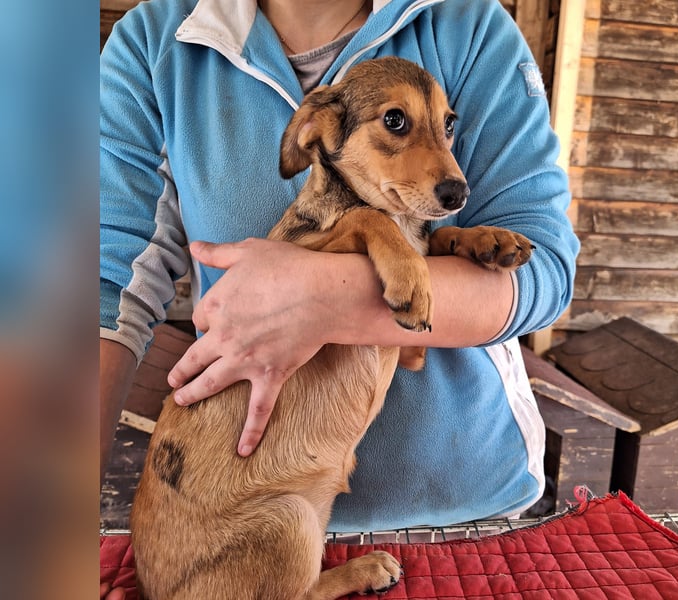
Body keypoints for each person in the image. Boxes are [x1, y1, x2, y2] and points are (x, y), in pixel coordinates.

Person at [100, 0, 578, 593]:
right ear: (313, 135)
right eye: (397, 123)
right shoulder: (156, 40)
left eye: (445, 127)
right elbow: (102, 274)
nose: (447, 161)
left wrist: (330, 298)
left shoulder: (468, 26)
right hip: (247, 504)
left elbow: (547, 271)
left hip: (464, 517)